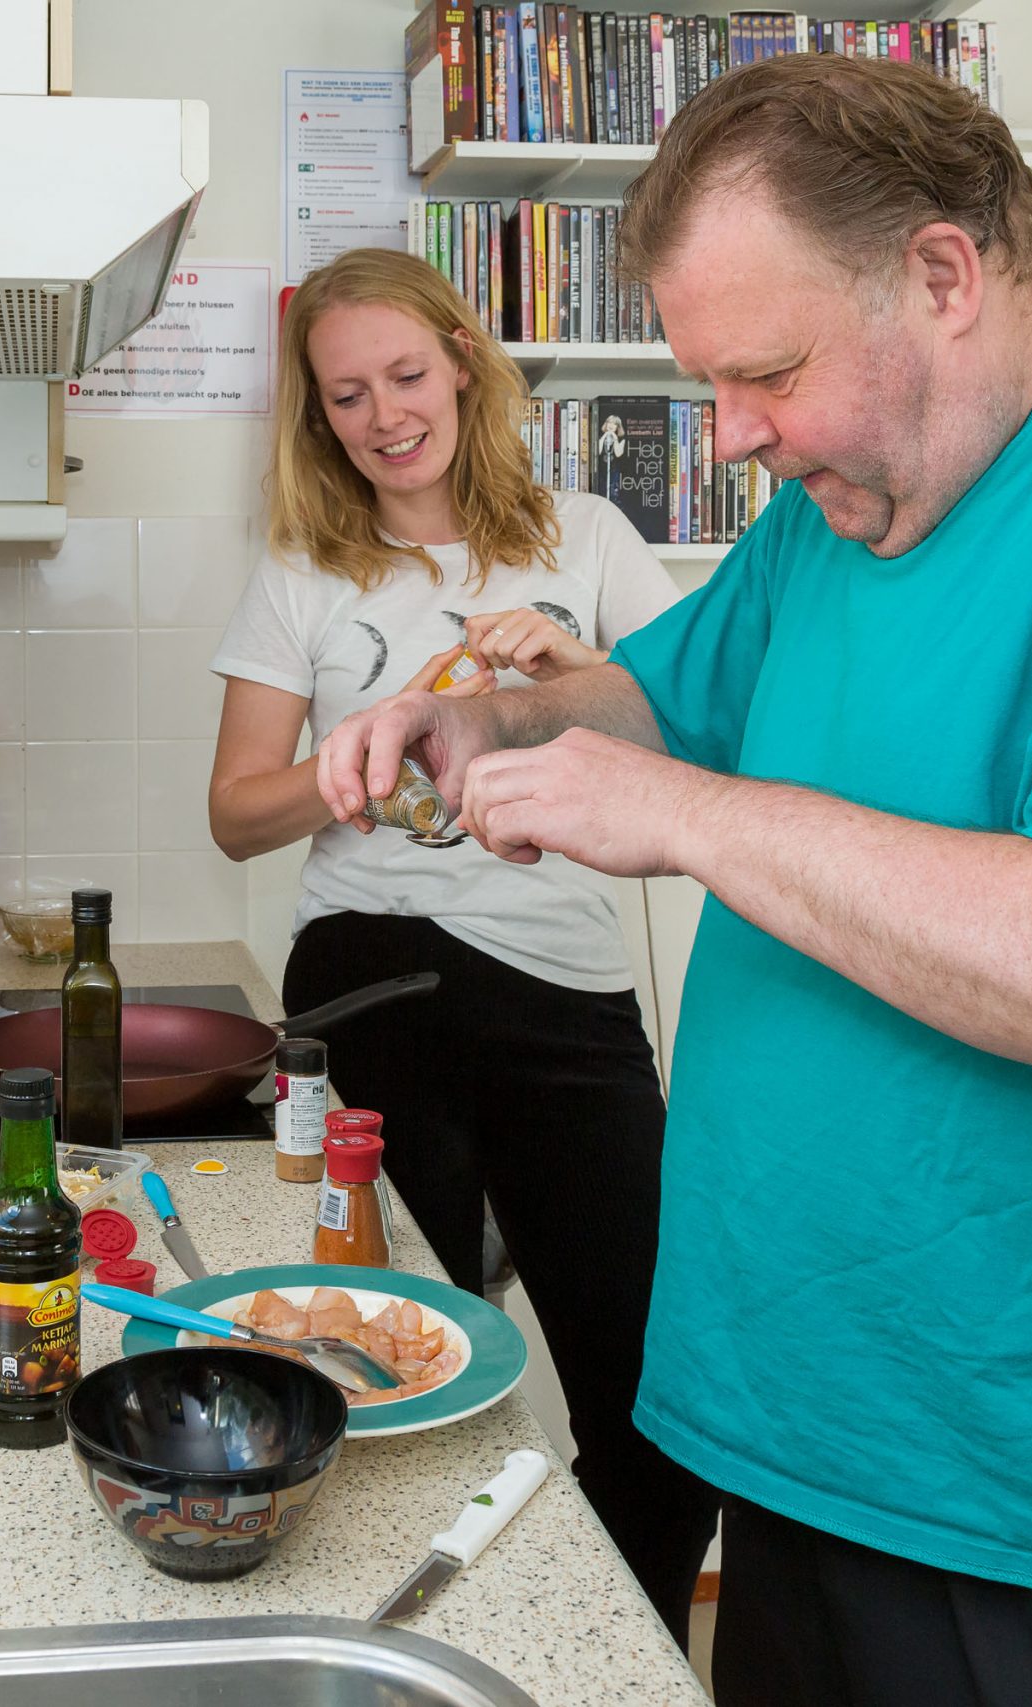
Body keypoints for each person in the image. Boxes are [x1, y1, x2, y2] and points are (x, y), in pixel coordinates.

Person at [318, 55, 1032, 1707]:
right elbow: (656, 695)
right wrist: (481, 716)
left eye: (768, 371)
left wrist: (694, 820)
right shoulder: (836, 512)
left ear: (943, 273)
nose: (735, 438)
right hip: (821, 1461)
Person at [205, 245, 718, 1645]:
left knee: (658, 1397)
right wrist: (368, 753)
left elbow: (699, 729)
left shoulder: (589, 538)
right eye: (347, 395)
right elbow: (234, 813)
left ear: (465, 362)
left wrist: (561, 679)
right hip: (374, 984)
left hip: (570, 995)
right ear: (322, 418)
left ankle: (622, 1661)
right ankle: (410, 1654)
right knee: (385, 1371)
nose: (383, 415)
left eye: (406, 376)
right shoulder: (306, 570)